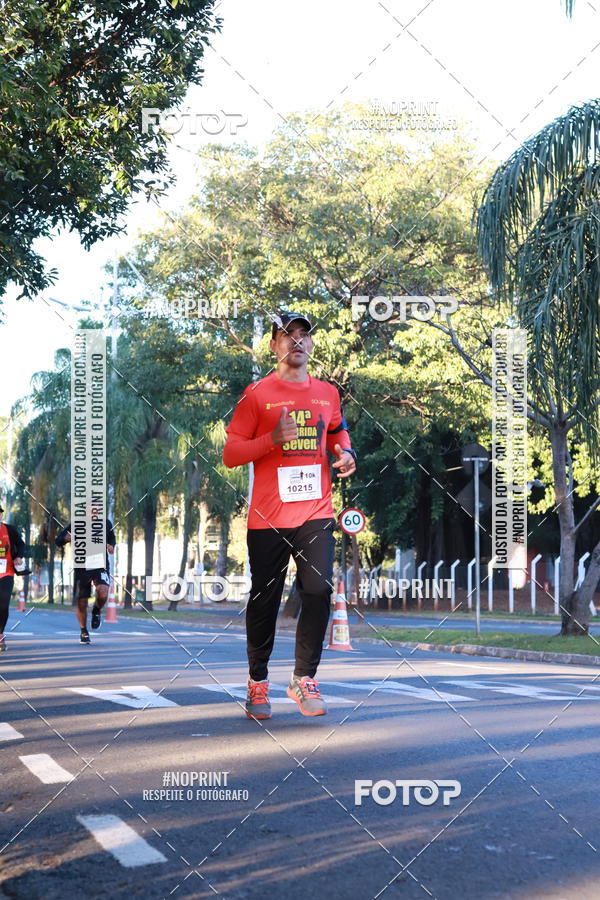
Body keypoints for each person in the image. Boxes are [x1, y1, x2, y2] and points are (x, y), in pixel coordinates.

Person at [223, 312, 356, 718]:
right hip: (268, 516)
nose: (297, 342)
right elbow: (231, 455)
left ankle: (303, 678)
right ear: (274, 345)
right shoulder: (257, 394)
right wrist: (271, 439)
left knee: (318, 590)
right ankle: (257, 684)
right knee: (265, 598)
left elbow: (336, 430)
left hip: (316, 511)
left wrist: (346, 453)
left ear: (312, 345)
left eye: (303, 335)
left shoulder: (327, 393)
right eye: (288, 335)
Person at [55, 518, 115, 644]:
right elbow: (58, 540)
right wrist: (65, 538)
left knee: (103, 591)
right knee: (82, 600)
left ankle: (96, 610)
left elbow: (112, 538)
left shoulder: (105, 523)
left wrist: (111, 546)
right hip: (82, 567)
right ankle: (83, 631)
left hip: (100, 565)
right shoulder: (77, 524)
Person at [0, 505, 27, 652]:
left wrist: (18, 557)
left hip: (6, 572)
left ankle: (0, 633)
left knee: (3, 605)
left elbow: (21, 544)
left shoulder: (9, 530)